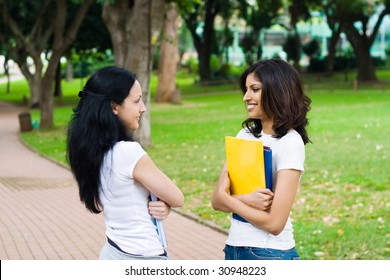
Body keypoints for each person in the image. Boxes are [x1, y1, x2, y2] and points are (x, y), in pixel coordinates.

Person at [66, 66, 184, 260]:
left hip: (112, 250)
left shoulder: (90, 150)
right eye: (136, 101)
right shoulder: (128, 153)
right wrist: (168, 204)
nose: (143, 107)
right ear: (114, 106)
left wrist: (162, 205)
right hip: (143, 256)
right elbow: (178, 198)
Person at [211, 58, 311, 260]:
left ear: (277, 91)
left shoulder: (290, 142)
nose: (246, 97)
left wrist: (229, 198)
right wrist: (246, 200)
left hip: (269, 253)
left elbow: (275, 224)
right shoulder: (244, 136)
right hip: (233, 249)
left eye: (254, 89)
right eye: (246, 90)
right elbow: (216, 201)